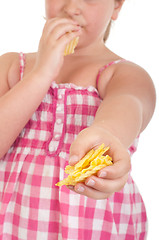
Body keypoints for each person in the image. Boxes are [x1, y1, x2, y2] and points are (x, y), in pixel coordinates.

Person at [0, 0, 156, 239]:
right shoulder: (11, 66)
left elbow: (129, 104)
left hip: (91, 227)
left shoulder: (123, 74)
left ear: (116, 7)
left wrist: (106, 136)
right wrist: (42, 72)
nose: (71, 7)